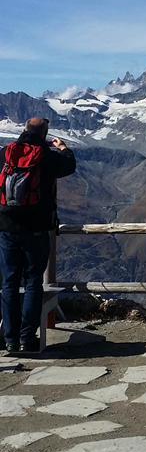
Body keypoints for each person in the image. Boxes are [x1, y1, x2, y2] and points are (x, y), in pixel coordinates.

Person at [0, 117, 76, 355]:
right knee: (34, 282)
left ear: (24, 129)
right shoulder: (46, 156)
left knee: (9, 283)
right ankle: (26, 339)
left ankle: (9, 340)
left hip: (7, 229)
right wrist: (63, 147)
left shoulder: (5, 154)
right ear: (44, 133)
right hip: (36, 229)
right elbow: (69, 165)